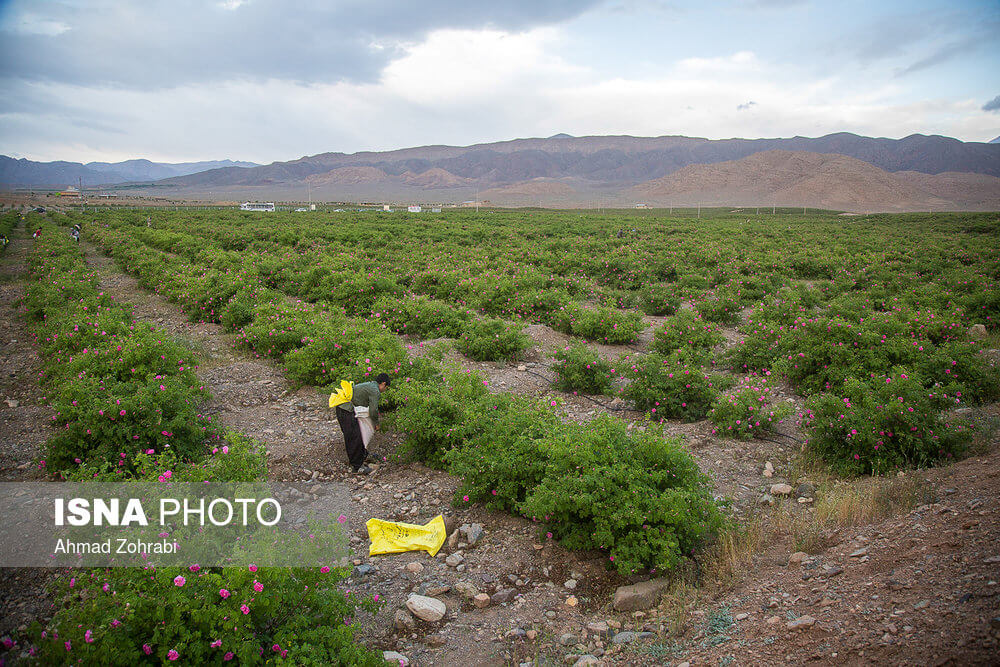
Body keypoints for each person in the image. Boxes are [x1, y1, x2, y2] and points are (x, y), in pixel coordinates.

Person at [335, 373, 390, 474]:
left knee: (355, 434)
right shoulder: (375, 391)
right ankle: (357, 467)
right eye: (385, 387)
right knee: (354, 436)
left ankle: (359, 459)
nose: (384, 390)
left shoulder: (370, 385)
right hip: (345, 409)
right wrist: (376, 423)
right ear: (383, 384)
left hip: (342, 407)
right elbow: (373, 410)